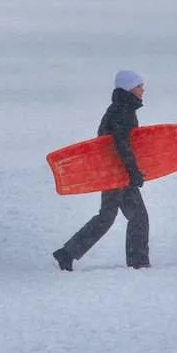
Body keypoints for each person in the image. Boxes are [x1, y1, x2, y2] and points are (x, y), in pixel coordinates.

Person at [53, 70, 150, 270]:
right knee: (133, 217)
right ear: (129, 88)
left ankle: (67, 253)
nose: (143, 89)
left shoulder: (121, 108)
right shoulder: (122, 111)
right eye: (139, 86)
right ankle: (138, 262)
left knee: (111, 216)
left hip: (113, 170)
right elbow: (121, 145)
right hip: (116, 171)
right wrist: (131, 171)